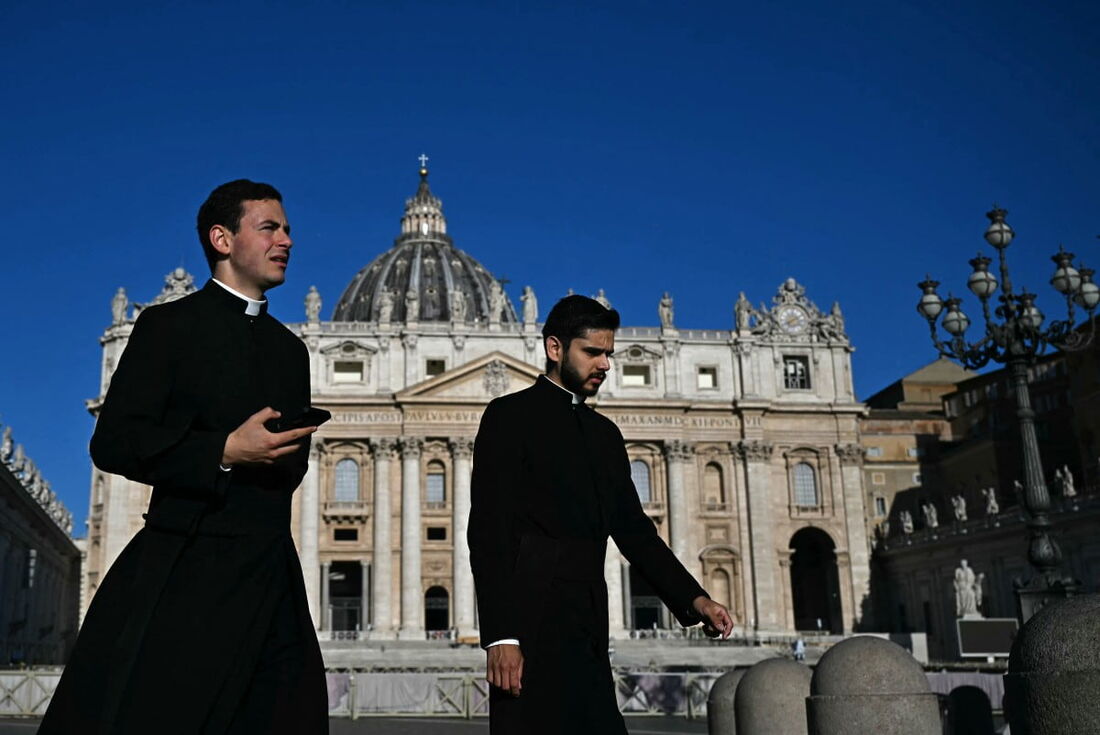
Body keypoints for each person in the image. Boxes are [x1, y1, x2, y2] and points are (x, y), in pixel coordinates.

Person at [40, 180, 328, 734]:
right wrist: (222, 450)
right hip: (188, 561)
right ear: (222, 238)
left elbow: (292, 466)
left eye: (287, 228)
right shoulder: (166, 327)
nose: (286, 239)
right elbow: (115, 442)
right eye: (269, 227)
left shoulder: (290, 351)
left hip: (269, 571)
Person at [468, 294, 733, 734]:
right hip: (530, 617)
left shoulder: (605, 435)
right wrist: (502, 636)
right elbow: (488, 533)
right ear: (556, 348)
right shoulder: (508, 417)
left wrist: (694, 598)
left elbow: (634, 531)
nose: (605, 364)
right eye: (592, 352)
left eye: (608, 353)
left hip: (588, 617)